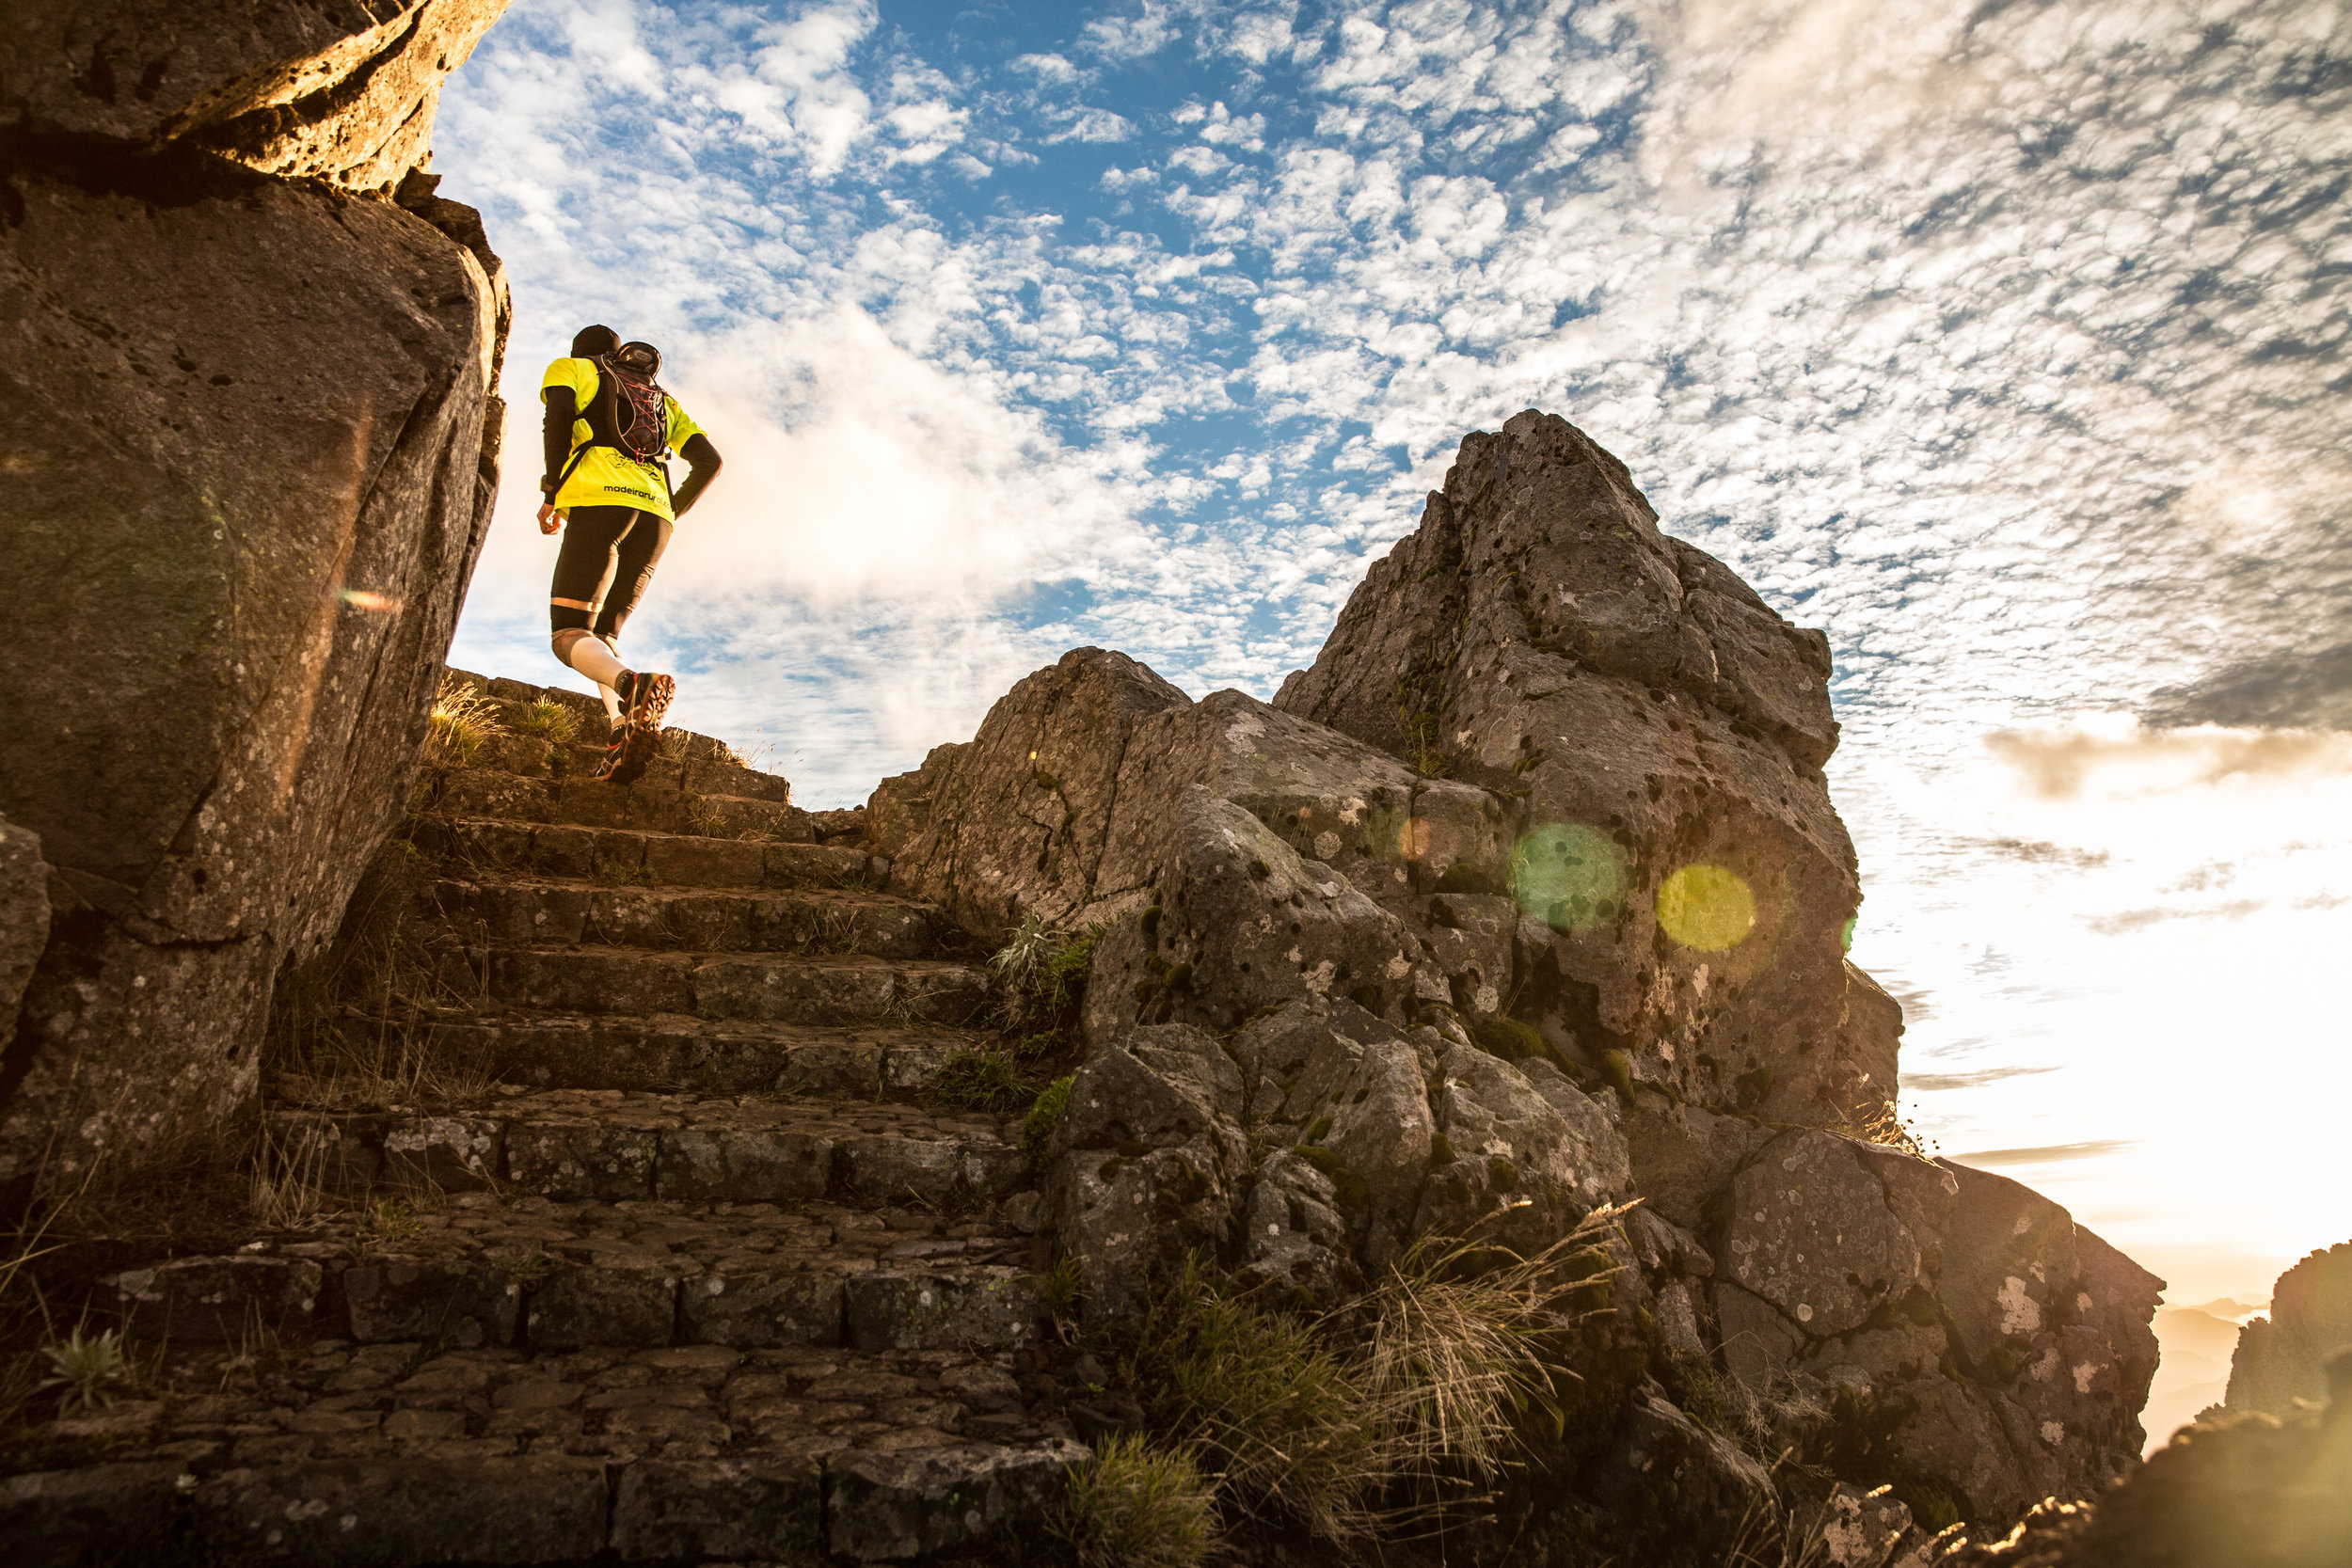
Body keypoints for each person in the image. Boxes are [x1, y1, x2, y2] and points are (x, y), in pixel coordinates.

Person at [536, 324, 723, 783]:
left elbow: (557, 419)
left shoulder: (572, 368)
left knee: (568, 633)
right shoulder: (662, 400)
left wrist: (551, 489)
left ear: (583, 352)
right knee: (603, 635)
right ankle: (623, 729)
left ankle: (631, 686)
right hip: (656, 516)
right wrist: (671, 509)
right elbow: (710, 462)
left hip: (601, 504)